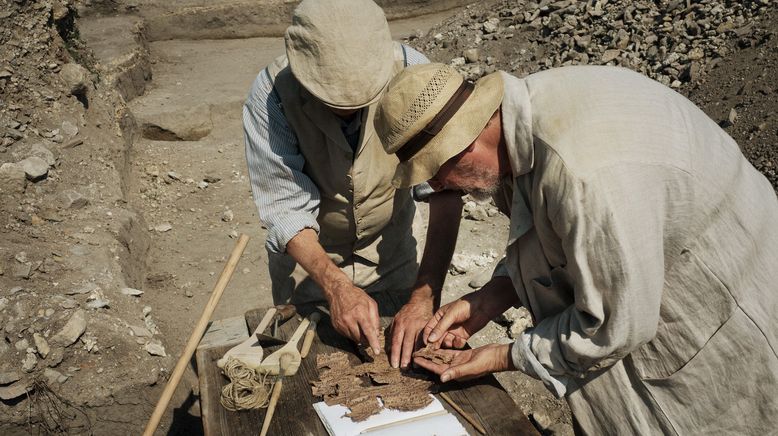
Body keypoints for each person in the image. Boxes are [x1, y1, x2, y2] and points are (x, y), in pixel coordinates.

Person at [375, 62, 778, 434]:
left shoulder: (582, 173)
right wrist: (488, 299)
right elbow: (555, 241)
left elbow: (615, 324)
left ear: (464, 145)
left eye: (437, 173)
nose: (441, 188)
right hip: (641, 282)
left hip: (717, 300)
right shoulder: (512, 137)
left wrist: (505, 356)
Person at [243, 0, 462, 361]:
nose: (348, 108)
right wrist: (335, 285)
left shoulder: (415, 77)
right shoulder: (272, 97)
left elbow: (444, 190)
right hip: (310, 270)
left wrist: (425, 294)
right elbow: (285, 208)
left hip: (393, 258)